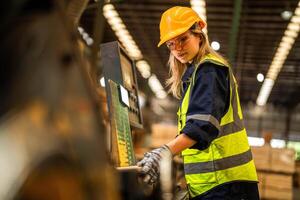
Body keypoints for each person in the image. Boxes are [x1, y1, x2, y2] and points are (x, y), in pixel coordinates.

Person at [137, 6, 259, 200]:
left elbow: (202, 126)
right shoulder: (196, 75)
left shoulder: (209, 70)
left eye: (183, 39)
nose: (177, 48)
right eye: (171, 44)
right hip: (216, 185)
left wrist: (164, 153)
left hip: (226, 186)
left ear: (199, 35)